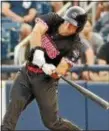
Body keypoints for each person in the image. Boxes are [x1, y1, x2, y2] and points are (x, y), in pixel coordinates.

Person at [2, 6, 87, 131]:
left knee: (51, 123)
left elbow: (61, 70)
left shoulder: (75, 46)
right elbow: (36, 32)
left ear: (79, 28)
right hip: (27, 72)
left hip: (46, 81)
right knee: (13, 108)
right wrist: (38, 52)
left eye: (72, 25)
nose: (68, 25)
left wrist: (52, 70)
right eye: (67, 21)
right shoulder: (53, 18)